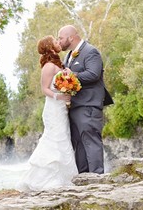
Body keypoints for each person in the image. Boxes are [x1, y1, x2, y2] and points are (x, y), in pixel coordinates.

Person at [17, 35, 78, 191]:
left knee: (63, 138)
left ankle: (63, 177)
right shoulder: (49, 66)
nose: (58, 43)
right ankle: (48, 180)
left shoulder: (59, 63)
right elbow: (44, 89)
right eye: (55, 42)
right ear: (50, 48)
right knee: (55, 139)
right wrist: (60, 96)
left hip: (61, 108)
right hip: (53, 109)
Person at [58, 25, 113, 174]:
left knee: (91, 141)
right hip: (75, 106)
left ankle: (97, 178)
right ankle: (84, 179)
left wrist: (72, 74)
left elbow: (94, 74)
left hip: (89, 105)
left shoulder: (91, 52)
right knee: (79, 144)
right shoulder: (68, 56)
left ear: (71, 37)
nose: (59, 41)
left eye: (61, 38)